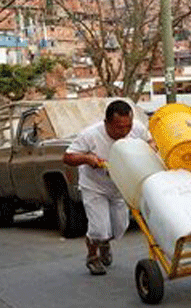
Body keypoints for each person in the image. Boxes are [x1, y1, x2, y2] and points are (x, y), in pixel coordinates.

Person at [63, 100, 153, 275]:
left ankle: (104, 242)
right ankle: (92, 256)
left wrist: (151, 150)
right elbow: (68, 157)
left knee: (120, 227)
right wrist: (88, 159)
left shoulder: (136, 128)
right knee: (99, 228)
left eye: (128, 126)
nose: (124, 131)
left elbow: (150, 142)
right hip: (95, 186)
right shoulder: (90, 134)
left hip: (120, 185)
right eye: (119, 127)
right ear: (107, 123)